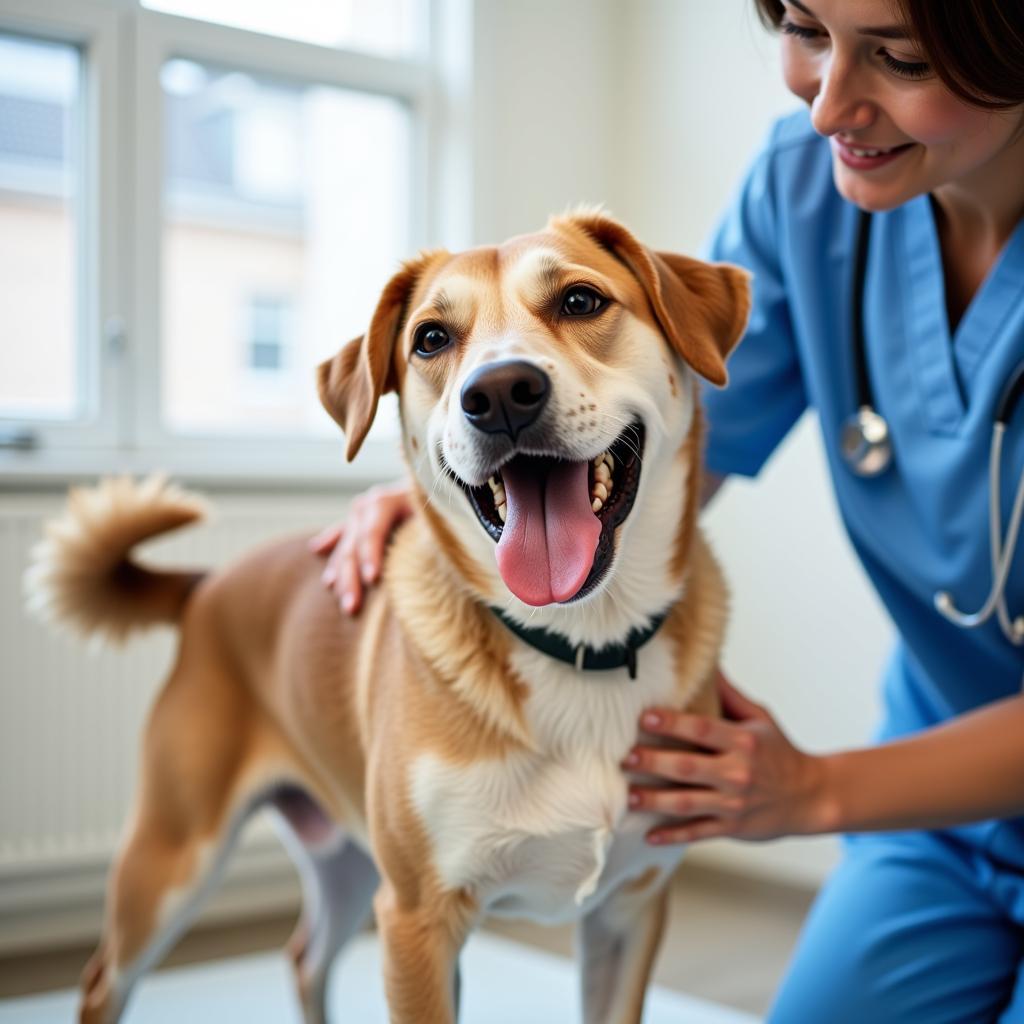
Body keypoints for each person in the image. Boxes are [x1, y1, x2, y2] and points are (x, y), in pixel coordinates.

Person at [310, 1, 1024, 1019]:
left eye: (899, 57)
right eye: (807, 32)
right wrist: (465, 485)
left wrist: (814, 790)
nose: (828, 107)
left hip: (895, 780)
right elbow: (666, 436)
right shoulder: (806, 192)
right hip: (941, 807)